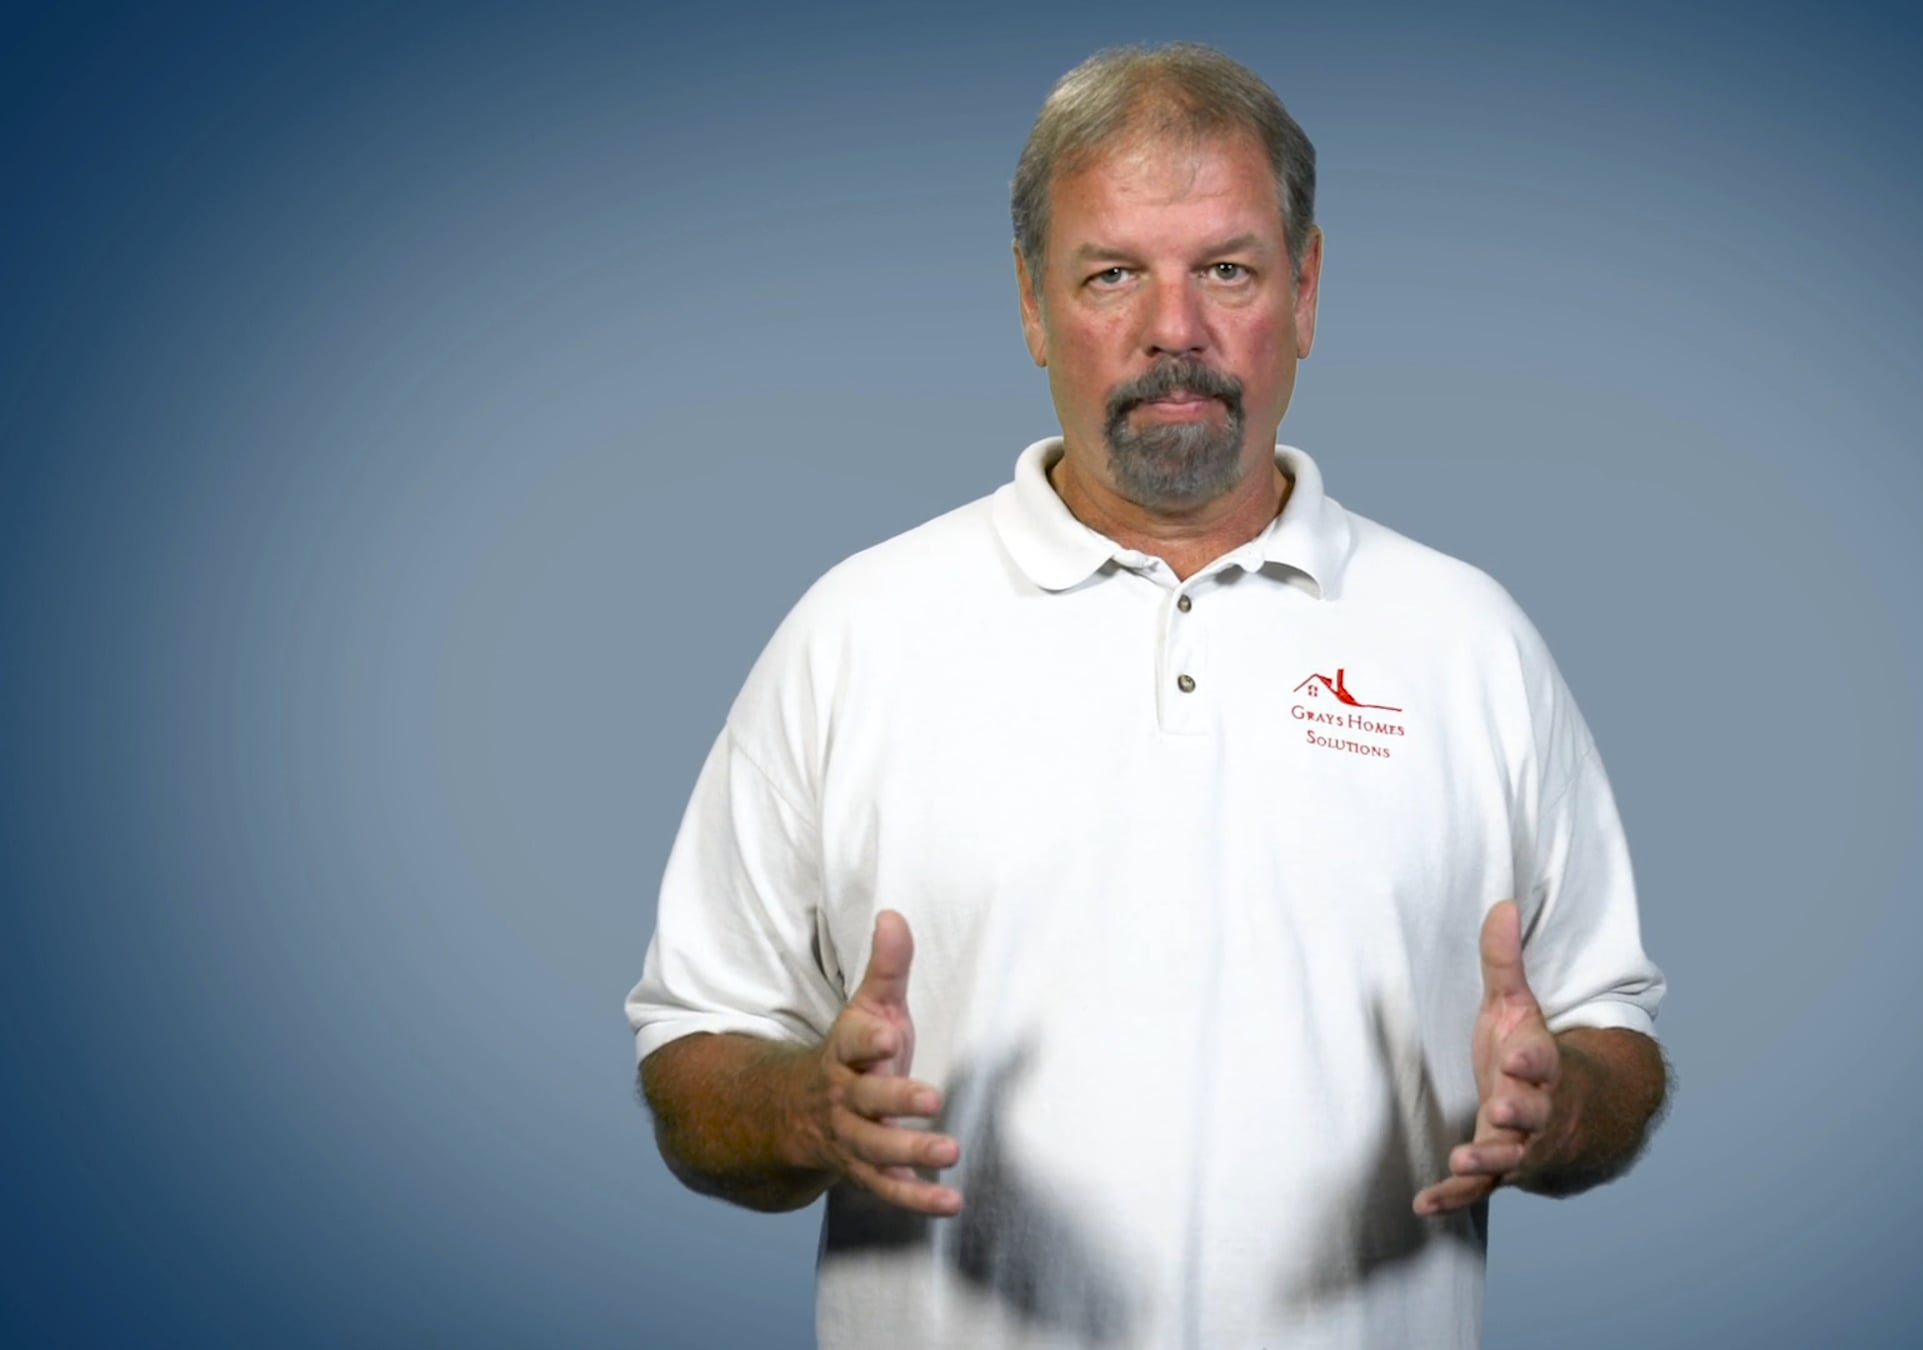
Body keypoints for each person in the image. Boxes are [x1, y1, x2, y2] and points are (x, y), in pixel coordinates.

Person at [628, 41, 1669, 1349]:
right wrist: (808, 1110)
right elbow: (698, 1046)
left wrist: (1562, 1103)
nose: (1174, 330)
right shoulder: (857, 632)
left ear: (1305, 291)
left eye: (1226, 269)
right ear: (1030, 302)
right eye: (1112, 273)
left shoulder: (1469, 642)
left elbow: (1610, 1030)